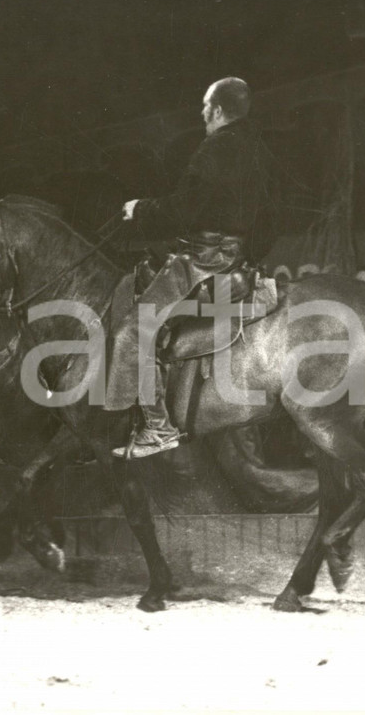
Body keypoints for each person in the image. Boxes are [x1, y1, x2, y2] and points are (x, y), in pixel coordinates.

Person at [106, 77, 275, 458]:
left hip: (204, 260)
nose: (202, 115)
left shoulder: (214, 148)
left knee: (134, 331)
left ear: (216, 110)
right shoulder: (259, 151)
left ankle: (157, 427)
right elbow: (270, 217)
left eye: (204, 108)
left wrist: (140, 210)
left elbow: (184, 209)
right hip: (238, 258)